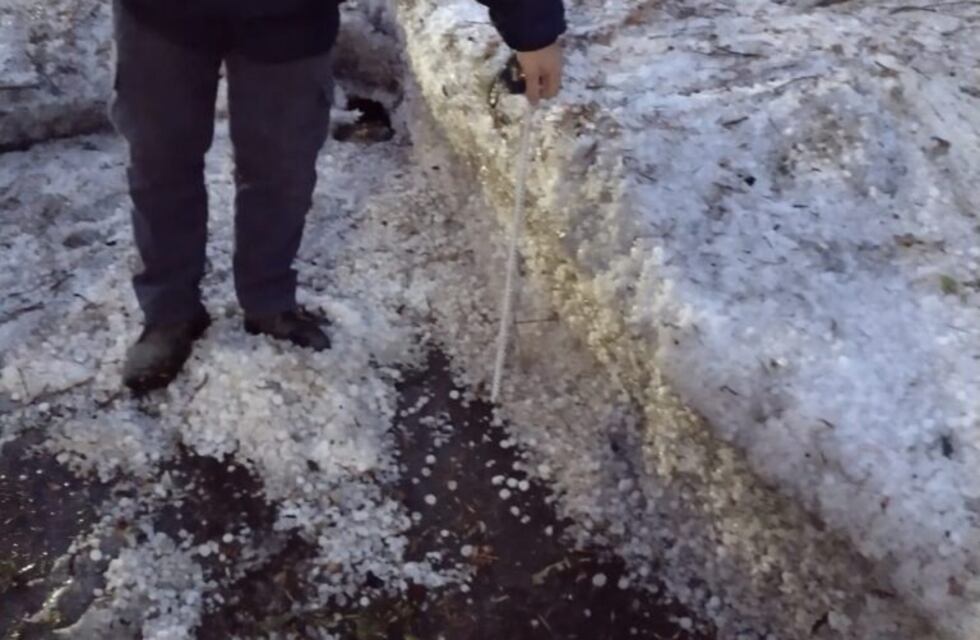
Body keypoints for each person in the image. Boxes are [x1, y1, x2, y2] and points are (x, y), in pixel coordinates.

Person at [110, 0, 566, 394]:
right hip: (160, 16)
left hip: (289, 21)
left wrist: (533, 27)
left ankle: (268, 300)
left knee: (281, 168)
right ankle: (169, 312)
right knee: (159, 161)